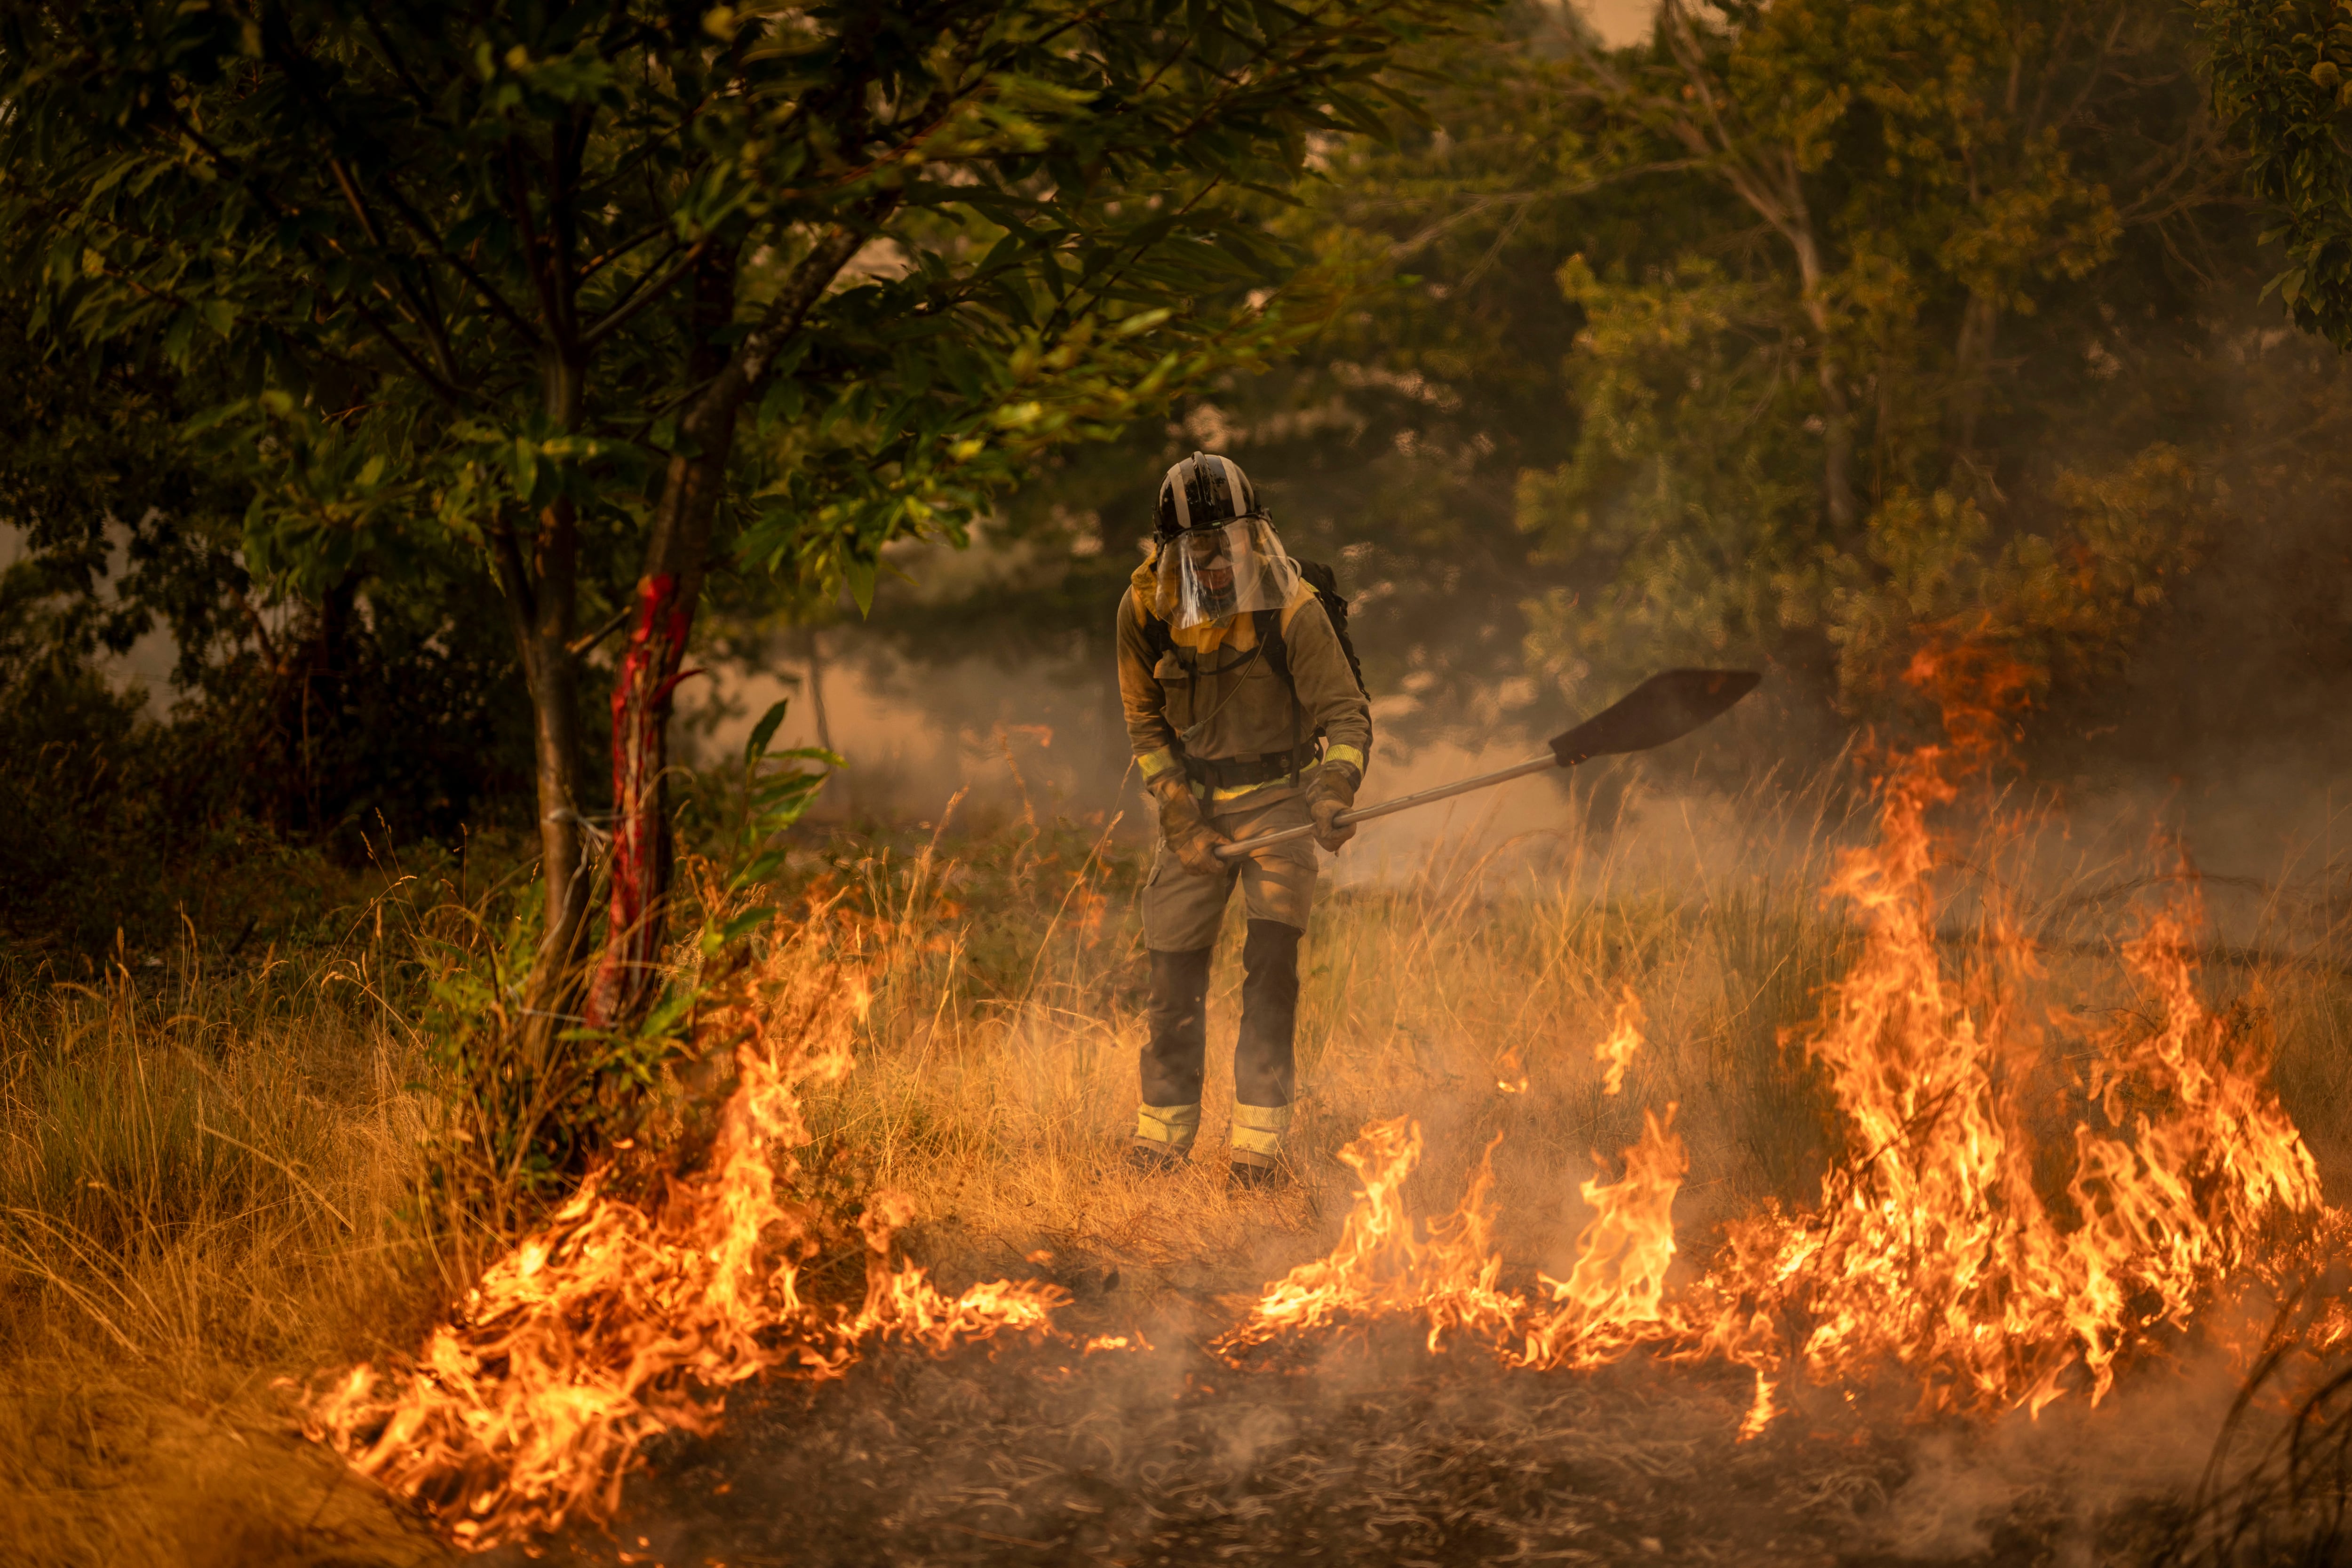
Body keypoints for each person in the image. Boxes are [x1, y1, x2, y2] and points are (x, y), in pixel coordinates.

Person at [1116, 452, 1372, 1187]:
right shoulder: (1144, 613)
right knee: (1173, 979)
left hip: (1281, 800)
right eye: (1198, 549)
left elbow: (1347, 717)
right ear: (1170, 552)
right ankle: (1159, 1147)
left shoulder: (1293, 607)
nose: (1216, 563)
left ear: (1252, 537)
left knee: (1268, 975)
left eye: (1227, 545)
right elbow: (1145, 728)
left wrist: (1332, 794)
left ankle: (1257, 1157)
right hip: (1196, 811)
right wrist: (1178, 816)